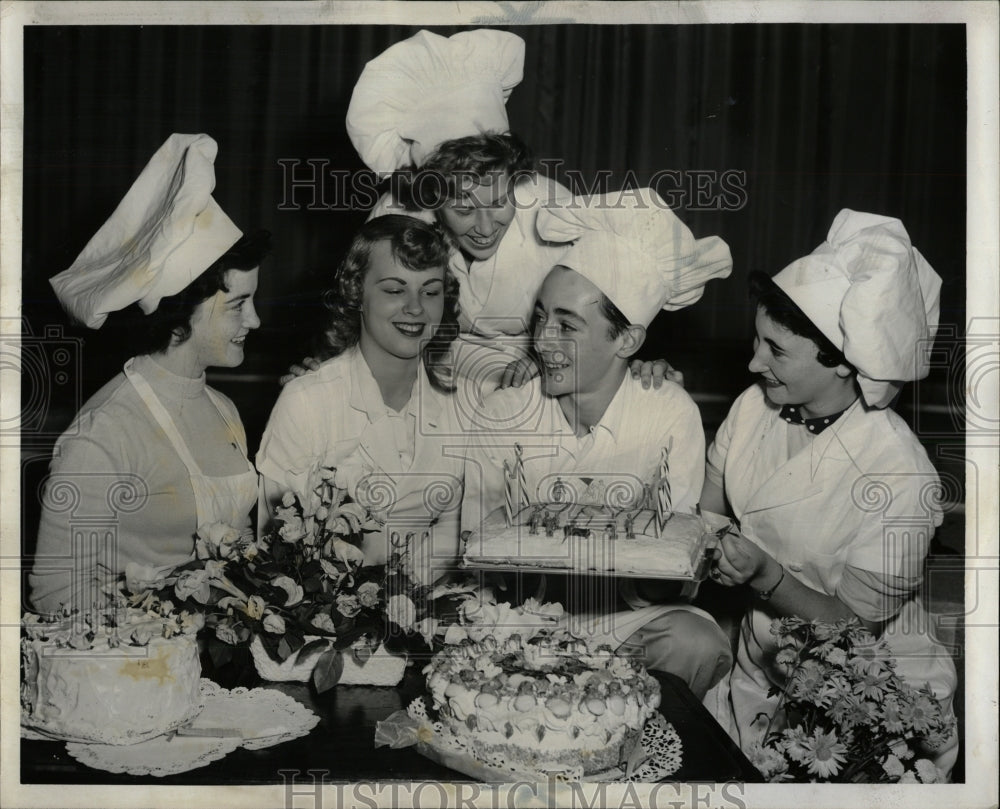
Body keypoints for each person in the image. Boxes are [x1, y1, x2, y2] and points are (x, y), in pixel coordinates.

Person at [701, 209, 959, 774]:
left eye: (776, 350)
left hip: (871, 691)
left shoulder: (900, 477)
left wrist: (763, 575)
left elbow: (853, 628)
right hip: (760, 665)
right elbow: (707, 516)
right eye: (756, 339)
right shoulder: (753, 409)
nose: (753, 362)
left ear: (842, 364)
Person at [461, 187, 735, 699]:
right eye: (541, 316)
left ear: (627, 341)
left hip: (625, 622)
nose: (542, 341)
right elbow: (476, 544)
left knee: (694, 642)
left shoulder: (668, 414)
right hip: (517, 618)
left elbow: (670, 571)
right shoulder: (505, 409)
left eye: (567, 325)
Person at [342, 28, 675, 394]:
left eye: (500, 202)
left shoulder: (555, 211)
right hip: (425, 380)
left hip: (541, 377)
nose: (486, 226)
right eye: (464, 208)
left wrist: (548, 355)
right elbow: (367, 315)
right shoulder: (398, 216)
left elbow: (613, 316)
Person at [29, 134, 268, 615]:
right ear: (183, 312)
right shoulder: (104, 435)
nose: (256, 321)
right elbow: (55, 594)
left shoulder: (224, 410)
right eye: (239, 305)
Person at [256, 216, 465, 585]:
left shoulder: (457, 407)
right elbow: (274, 554)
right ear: (356, 293)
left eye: (430, 291)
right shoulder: (307, 401)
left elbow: (457, 534)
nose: (416, 308)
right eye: (394, 290)